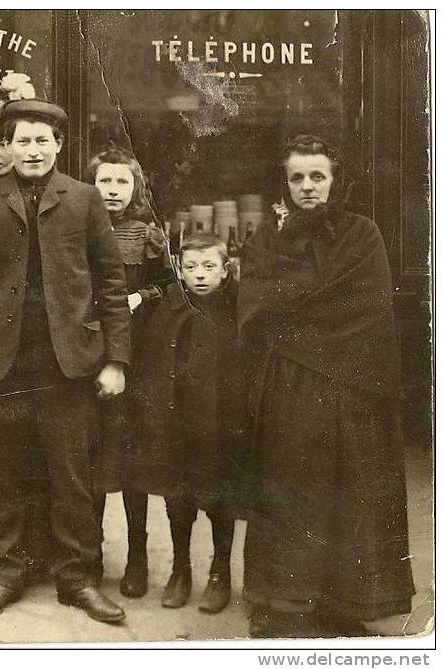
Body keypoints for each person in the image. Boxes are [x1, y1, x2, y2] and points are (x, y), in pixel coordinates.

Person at [0, 98, 131, 623]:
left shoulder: (85, 199)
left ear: (58, 145)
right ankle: (8, 571)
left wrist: (116, 359)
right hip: (3, 361)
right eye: (21, 141)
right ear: (7, 146)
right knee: (8, 474)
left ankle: (78, 578)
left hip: (68, 363)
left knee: (72, 473)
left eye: (41, 140)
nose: (31, 150)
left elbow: (112, 286)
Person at [238, 135, 415, 637]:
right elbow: (255, 304)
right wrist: (299, 306)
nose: (307, 186)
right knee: (291, 491)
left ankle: (341, 601)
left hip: (351, 388)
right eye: (297, 177)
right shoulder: (267, 238)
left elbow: (365, 305)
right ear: (285, 183)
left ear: (335, 182)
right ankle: (283, 602)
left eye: (318, 176)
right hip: (289, 387)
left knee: (346, 494)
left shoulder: (363, 234)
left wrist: (292, 308)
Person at [127, 232, 246, 615]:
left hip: (221, 423)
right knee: (178, 498)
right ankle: (181, 569)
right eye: (191, 266)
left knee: (219, 498)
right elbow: (153, 362)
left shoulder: (237, 308)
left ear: (226, 270)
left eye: (210, 266)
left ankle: (220, 572)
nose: (200, 275)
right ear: (178, 267)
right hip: (176, 422)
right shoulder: (171, 308)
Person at [84, 145, 174, 600]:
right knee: (92, 461)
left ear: (135, 188)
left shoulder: (147, 234)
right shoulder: (76, 229)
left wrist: (143, 297)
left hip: (135, 358)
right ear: (91, 185)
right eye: (105, 181)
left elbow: (173, 287)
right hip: (86, 356)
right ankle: (92, 557)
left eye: (122, 181)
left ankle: (137, 557)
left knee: (133, 464)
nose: (113, 190)